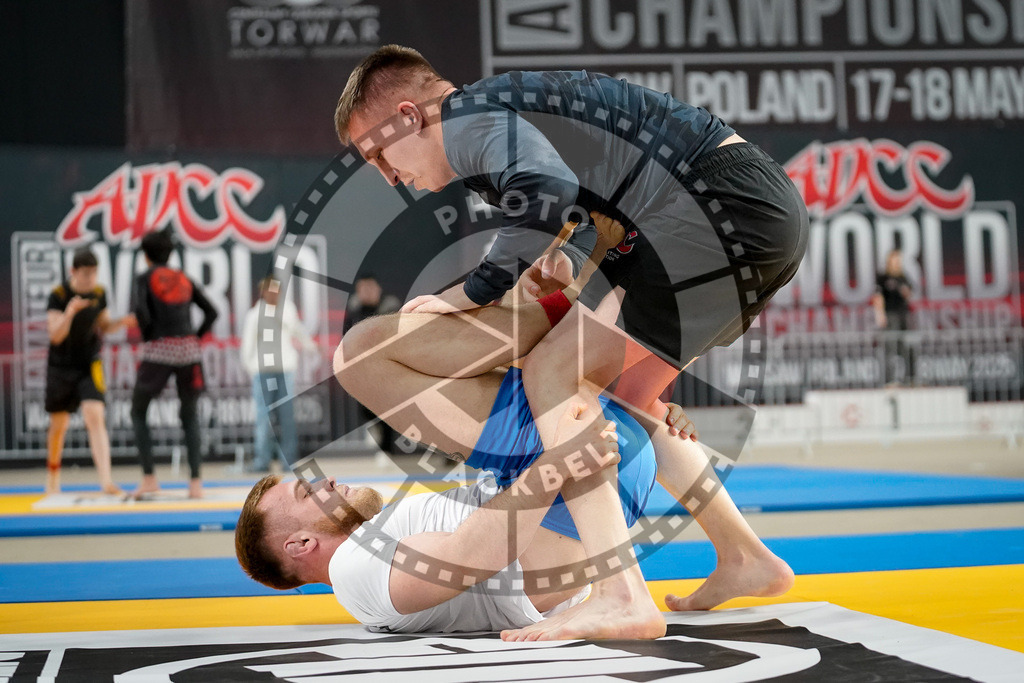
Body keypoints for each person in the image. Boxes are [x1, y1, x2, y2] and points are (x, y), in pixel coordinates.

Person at [332, 46, 800, 628]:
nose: (386, 176)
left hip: (714, 208)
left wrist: (467, 293)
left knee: (554, 371)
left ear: (410, 115)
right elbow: (581, 198)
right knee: (629, 402)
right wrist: (565, 258)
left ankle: (623, 596)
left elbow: (546, 186)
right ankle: (745, 556)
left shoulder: (464, 119)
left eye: (379, 154)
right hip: (743, 209)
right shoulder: (500, 116)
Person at [236, 220, 791, 640]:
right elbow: (465, 557)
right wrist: (554, 465)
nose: (323, 479)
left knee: (610, 392)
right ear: (301, 543)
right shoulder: (355, 571)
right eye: (308, 493)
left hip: (575, 496)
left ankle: (745, 555)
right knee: (358, 355)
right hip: (560, 509)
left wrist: (631, 412)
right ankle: (557, 303)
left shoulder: (375, 535)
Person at [130, 229, 218, 499]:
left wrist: (150, 338)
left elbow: (141, 312)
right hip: (189, 352)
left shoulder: (144, 278)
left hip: (159, 350)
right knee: (189, 416)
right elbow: (212, 311)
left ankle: (149, 478)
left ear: (145, 256)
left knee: (138, 412)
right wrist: (194, 338)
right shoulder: (184, 279)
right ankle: (195, 484)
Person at [44, 247, 135, 495]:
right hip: (61, 364)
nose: (90, 279)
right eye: (85, 274)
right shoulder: (58, 295)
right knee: (59, 424)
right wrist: (70, 312)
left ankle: (106, 480)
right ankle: (53, 477)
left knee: (94, 414)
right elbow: (55, 335)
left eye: (94, 273)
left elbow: (104, 325)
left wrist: (121, 322)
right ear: (73, 271)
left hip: (89, 362)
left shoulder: (99, 293)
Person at [241, 276, 319, 473]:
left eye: (277, 291)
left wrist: (311, 347)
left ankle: (288, 460)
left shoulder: (287, 310)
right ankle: (262, 460)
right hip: (263, 372)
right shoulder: (254, 315)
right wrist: (251, 367)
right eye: (270, 290)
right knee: (263, 417)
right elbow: (247, 344)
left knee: (286, 417)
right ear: (263, 292)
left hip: (284, 370)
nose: (274, 295)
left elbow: (298, 331)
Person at [343, 274, 401, 453]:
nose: (366, 293)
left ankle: (387, 449)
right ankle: (376, 432)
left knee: (387, 408)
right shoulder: (354, 309)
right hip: (363, 367)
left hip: (387, 364)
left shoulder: (389, 307)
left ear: (378, 289)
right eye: (363, 289)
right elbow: (346, 335)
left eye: (370, 288)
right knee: (366, 407)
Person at [873, 249, 914, 386]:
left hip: (903, 315)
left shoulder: (904, 277)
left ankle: (910, 378)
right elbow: (878, 297)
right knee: (890, 348)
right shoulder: (883, 277)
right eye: (895, 260)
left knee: (907, 347)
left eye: (899, 260)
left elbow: (909, 295)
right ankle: (889, 380)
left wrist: (905, 292)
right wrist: (880, 315)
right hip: (890, 315)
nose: (897, 263)